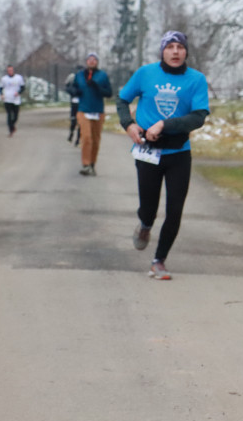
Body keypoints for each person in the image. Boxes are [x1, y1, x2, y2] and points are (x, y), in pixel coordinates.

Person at [117, 31, 210, 281]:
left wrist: (164, 125)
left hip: (179, 152)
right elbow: (122, 100)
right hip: (148, 151)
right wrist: (129, 125)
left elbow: (198, 116)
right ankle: (145, 225)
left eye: (180, 47)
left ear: (186, 52)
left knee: (175, 210)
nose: (175, 51)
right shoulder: (145, 74)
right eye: (170, 47)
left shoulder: (196, 80)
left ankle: (159, 261)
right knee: (149, 208)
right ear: (162, 51)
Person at [73, 53, 113, 176]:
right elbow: (71, 88)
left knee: (95, 140)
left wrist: (97, 87)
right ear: (86, 62)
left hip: (98, 111)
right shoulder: (79, 75)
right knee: (86, 138)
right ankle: (85, 164)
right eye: (89, 59)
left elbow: (109, 93)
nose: (91, 61)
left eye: (94, 59)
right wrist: (75, 91)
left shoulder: (102, 76)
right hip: (83, 110)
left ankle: (92, 164)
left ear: (97, 62)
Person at [0, 65, 25, 137]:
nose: (10, 72)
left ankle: (12, 125)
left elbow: (23, 87)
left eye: (11, 70)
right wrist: (1, 94)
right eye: (8, 70)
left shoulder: (19, 78)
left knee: (16, 116)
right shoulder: (4, 79)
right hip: (7, 99)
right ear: (7, 71)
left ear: (13, 70)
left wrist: (18, 93)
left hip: (16, 99)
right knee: (9, 115)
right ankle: (10, 130)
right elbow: (0, 88)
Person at [65, 69, 81, 146]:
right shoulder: (72, 77)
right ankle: (71, 134)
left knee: (80, 122)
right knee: (73, 120)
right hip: (74, 103)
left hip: (82, 104)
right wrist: (73, 92)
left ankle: (78, 139)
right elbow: (67, 87)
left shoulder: (85, 78)